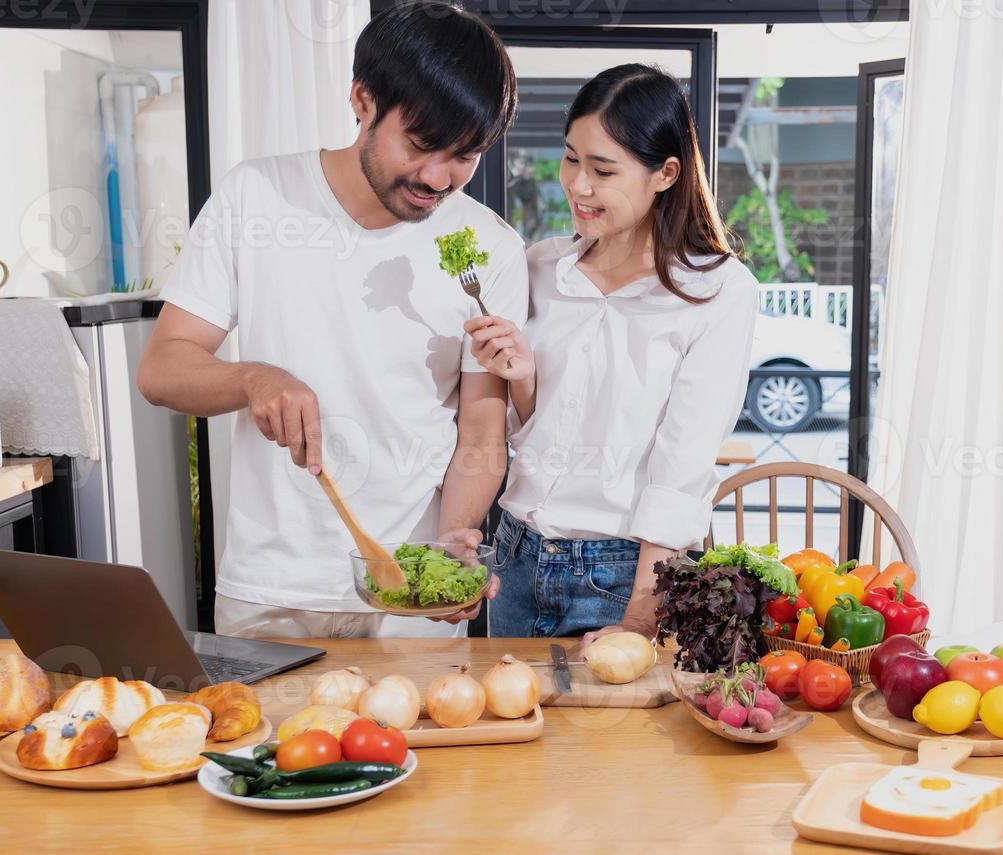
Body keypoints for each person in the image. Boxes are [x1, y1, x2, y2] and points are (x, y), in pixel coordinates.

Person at [137, 2, 523, 639]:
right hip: (273, 591)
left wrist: (451, 546)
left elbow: (481, 431)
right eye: (422, 146)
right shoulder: (255, 199)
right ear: (362, 100)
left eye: (466, 155)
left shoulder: (491, 248)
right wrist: (254, 379)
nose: (438, 178)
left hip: (409, 595)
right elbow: (162, 368)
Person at [464, 64, 758, 645]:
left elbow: (684, 465)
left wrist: (640, 615)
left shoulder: (719, 290)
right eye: (571, 158)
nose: (578, 185)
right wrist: (521, 379)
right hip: (518, 555)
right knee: (512, 730)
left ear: (665, 174)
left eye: (603, 170)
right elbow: (539, 429)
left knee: (615, 737)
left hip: (623, 571)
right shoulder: (540, 267)